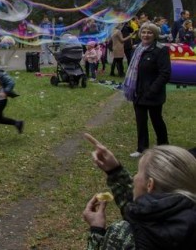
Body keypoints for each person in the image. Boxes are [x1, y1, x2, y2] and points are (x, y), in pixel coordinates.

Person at [82, 133, 196, 249]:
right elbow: (144, 213)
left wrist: (96, 230)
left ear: (149, 185)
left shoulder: (122, 235)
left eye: (138, 172)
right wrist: (115, 171)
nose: (134, 177)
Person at [123, 22, 171, 158]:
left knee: (157, 120)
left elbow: (165, 73)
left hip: (153, 93)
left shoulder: (161, 50)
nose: (146, 35)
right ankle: (142, 149)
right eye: (143, 32)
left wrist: (152, 90)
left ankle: (163, 147)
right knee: (141, 121)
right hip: (138, 92)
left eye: (149, 32)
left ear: (155, 35)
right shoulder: (137, 49)